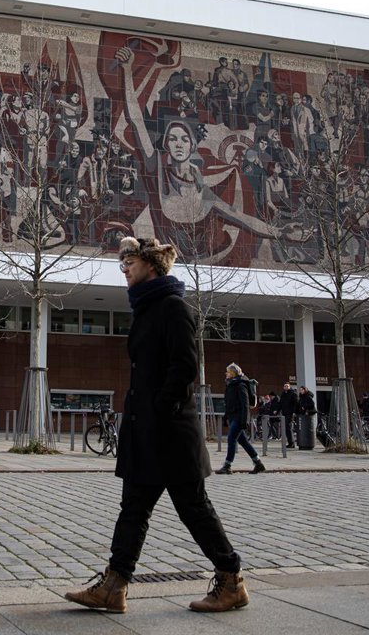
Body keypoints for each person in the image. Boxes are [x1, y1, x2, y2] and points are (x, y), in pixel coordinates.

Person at [65, 237, 249, 615]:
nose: (124, 270)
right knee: (133, 508)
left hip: (170, 432)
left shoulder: (172, 307)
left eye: (129, 263)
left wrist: (161, 409)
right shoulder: (146, 308)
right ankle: (114, 586)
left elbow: (185, 366)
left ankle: (231, 580)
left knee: (193, 508)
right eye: (122, 264)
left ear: (150, 265)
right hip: (146, 430)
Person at [214, 363, 265, 475]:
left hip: (239, 417)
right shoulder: (230, 384)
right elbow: (229, 403)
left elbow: (245, 404)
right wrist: (226, 416)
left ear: (233, 373)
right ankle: (258, 463)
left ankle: (227, 465)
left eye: (228, 372)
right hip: (233, 416)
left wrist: (244, 421)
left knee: (231, 438)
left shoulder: (241, 384)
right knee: (243, 441)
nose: (226, 373)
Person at [279, 383, 298, 447]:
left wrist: (294, 412)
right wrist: (277, 411)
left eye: (287, 386)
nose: (286, 387)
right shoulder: (283, 394)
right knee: (286, 428)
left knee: (288, 427)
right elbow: (280, 403)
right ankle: (290, 443)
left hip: (290, 413)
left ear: (289, 387)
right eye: (285, 386)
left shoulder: (293, 394)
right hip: (284, 413)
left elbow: (295, 403)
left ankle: (292, 443)